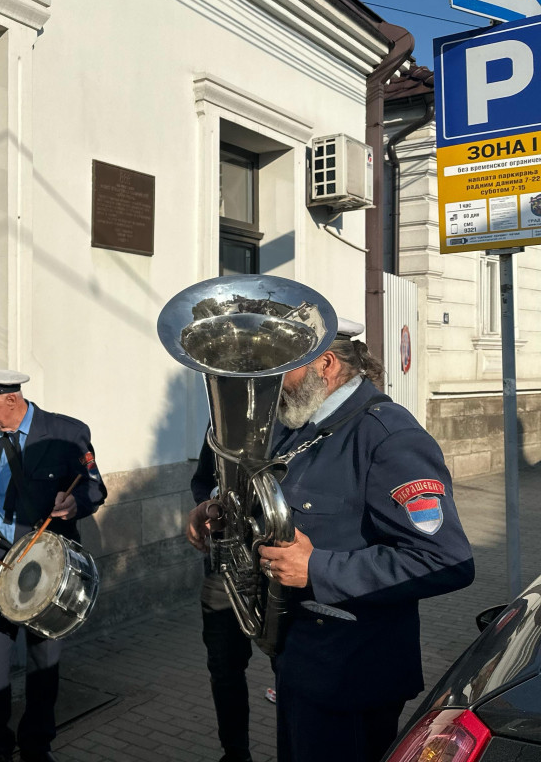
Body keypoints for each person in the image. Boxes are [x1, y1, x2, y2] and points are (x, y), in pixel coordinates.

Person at [187, 319, 475, 762]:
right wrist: (221, 510)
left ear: (325, 363)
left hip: (354, 672)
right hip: (301, 660)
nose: (270, 381)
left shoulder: (387, 435)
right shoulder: (297, 425)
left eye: (282, 367)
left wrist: (317, 568)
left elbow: (445, 559)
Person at [0, 368, 107, 762]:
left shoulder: (66, 433)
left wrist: (76, 503)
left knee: (44, 662)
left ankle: (37, 746)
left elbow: (94, 486)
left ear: (11, 399)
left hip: (46, 570)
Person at [188, 440, 255, 762]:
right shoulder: (217, 426)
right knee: (224, 668)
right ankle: (235, 753)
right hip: (223, 567)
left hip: (279, 566)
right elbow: (201, 479)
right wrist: (209, 502)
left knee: (290, 669)